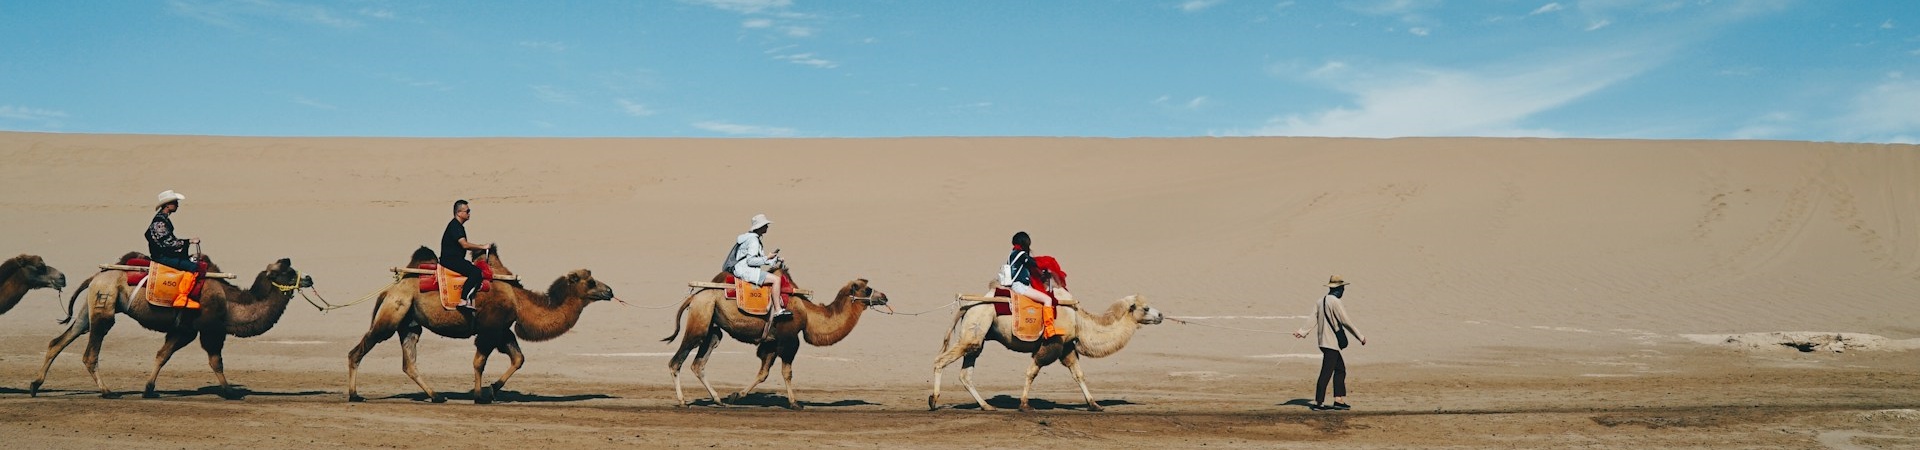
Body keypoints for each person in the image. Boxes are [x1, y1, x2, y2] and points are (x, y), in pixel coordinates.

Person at [1294, 275, 1366, 411]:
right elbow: (1346, 321)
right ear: (1338, 289)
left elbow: (1312, 319)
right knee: (1326, 372)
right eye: (1343, 288)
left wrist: (1302, 332)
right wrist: (1360, 336)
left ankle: (1338, 400)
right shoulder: (1335, 302)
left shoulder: (1320, 301)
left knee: (1340, 369)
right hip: (1331, 343)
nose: (1343, 290)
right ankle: (1318, 402)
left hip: (1323, 342)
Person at [731, 214, 787, 341]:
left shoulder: (751, 239)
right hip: (746, 270)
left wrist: (774, 259)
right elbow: (751, 261)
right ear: (760, 227)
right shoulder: (753, 241)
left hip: (743, 268)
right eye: (765, 225)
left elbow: (759, 260)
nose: (767, 227)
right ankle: (778, 309)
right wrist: (767, 258)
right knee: (776, 280)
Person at [146, 190, 201, 308]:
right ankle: (182, 298)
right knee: (192, 267)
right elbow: (168, 243)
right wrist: (188, 241)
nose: (177, 205)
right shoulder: (159, 222)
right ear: (167, 205)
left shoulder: (163, 219)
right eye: (175, 202)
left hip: (164, 254)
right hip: (161, 257)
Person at [441, 200, 492, 310]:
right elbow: (464, 245)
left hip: (455, 259)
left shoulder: (457, 226)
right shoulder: (455, 226)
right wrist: (482, 247)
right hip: (450, 260)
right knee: (476, 272)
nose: (469, 214)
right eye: (467, 211)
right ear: (459, 212)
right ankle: (462, 300)